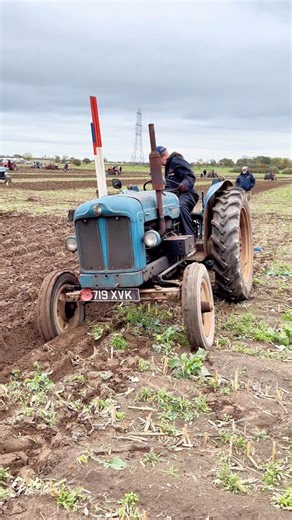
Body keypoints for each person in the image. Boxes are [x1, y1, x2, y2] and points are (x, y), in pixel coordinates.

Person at [156, 145, 199, 236]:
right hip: (174, 195)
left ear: (159, 158)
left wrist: (184, 185)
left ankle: (189, 236)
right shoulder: (168, 166)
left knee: (180, 206)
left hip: (187, 193)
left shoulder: (176, 160)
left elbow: (190, 176)